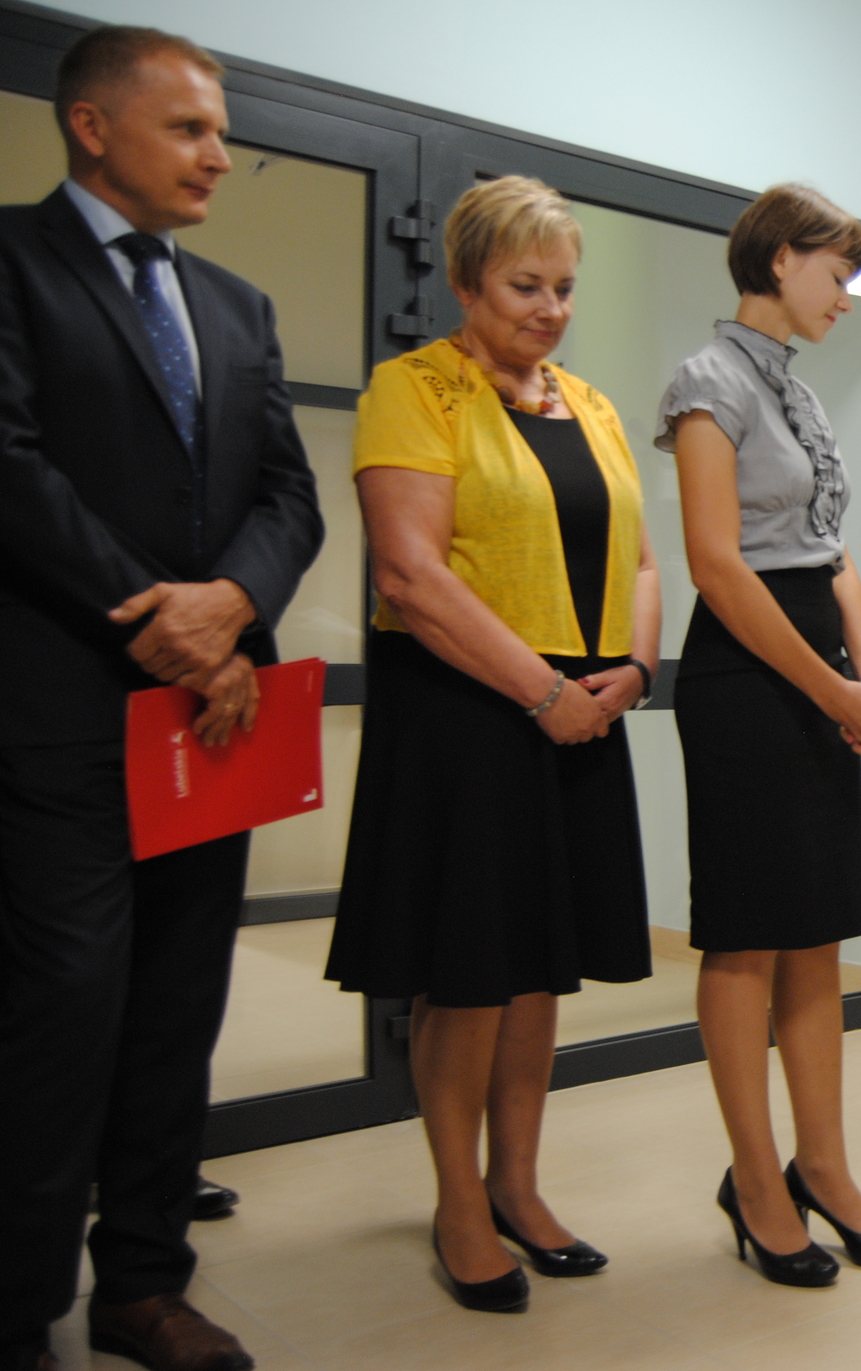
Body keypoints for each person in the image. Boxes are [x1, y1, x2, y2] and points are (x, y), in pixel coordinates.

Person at [0, 26, 323, 1371]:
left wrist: (233, 605)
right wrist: (170, 619)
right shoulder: (12, 263)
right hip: (60, 715)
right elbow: (12, 468)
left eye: (220, 132)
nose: (218, 157)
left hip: (209, 726)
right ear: (91, 125)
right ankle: (18, 1305)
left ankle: (141, 1282)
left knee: (177, 1011)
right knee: (60, 1013)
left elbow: (289, 495)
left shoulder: (239, 308)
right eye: (189, 128)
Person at [323, 176, 660, 1314]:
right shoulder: (414, 388)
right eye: (525, 286)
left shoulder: (592, 405)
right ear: (467, 283)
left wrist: (635, 669)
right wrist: (541, 692)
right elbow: (410, 574)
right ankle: (458, 1203)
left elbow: (642, 560)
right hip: (466, 709)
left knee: (538, 965)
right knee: (469, 972)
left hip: (584, 704)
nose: (550, 309)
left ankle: (517, 1183)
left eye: (564, 287)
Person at [659, 183, 861, 1286]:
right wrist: (832, 692)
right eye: (836, 273)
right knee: (747, 937)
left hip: (816, 664)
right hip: (744, 673)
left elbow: (832, 548)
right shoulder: (706, 383)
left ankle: (827, 1168)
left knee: (815, 933)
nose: (846, 297)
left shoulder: (799, 395)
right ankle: (757, 1182)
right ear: (778, 259)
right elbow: (717, 565)